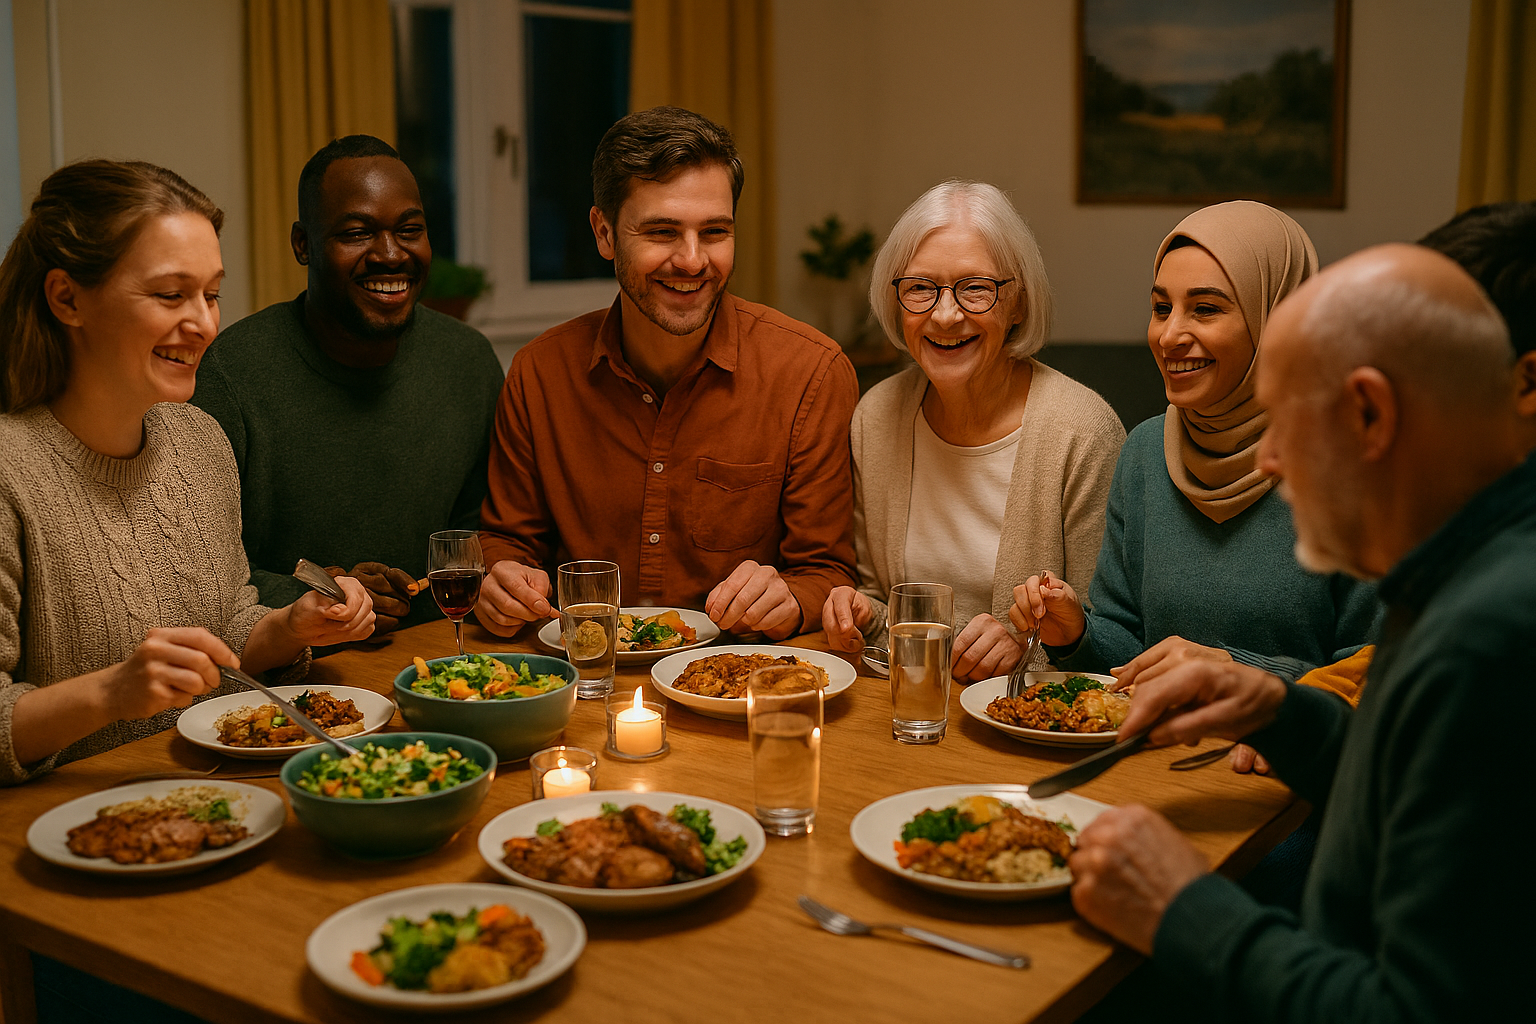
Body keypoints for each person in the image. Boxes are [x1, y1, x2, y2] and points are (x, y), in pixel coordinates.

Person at [1068, 244, 1527, 1020]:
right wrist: (1280, 710)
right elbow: (1406, 787)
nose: (1270, 461)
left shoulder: (1489, 640)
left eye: (1281, 420)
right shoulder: (1465, 567)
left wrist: (1182, 906)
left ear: (1370, 414)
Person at [0, 160, 375, 785]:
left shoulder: (199, 443)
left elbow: (226, 634)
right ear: (67, 297)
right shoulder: (12, 472)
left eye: (212, 293)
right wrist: (112, 692)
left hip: (214, 802)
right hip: (66, 833)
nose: (203, 323)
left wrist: (289, 626)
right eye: (171, 294)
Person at [475, 107, 858, 639]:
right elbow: (506, 542)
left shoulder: (810, 373)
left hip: (734, 684)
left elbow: (828, 572)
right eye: (662, 231)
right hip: (581, 676)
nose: (693, 260)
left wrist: (791, 600)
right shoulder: (539, 372)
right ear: (604, 234)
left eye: (715, 232)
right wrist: (500, 582)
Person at [1011, 201, 1379, 685]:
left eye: (1205, 309)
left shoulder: (1357, 464)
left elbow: (1378, 674)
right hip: (1154, 752)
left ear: (1275, 319)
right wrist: (1077, 633)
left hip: (1280, 756)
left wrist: (1241, 675)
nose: (1169, 335)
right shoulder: (1145, 452)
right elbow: (1127, 652)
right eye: (1161, 308)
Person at [192, 135, 505, 636]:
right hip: (294, 678)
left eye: (410, 230)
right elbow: (200, 574)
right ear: (303, 244)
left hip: (439, 662)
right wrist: (326, 594)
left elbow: (484, 535)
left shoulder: (467, 361)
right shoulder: (229, 375)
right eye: (357, 233)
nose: (389, 254)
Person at [822, 181, 1124, 683]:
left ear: (1018, 305)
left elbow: (1106, 638)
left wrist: (1025, 646)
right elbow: (879, 600)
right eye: (920, 287)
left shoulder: (1083, 432)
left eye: (976, 288)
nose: (944, 314)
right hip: (906, 708)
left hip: (1025, 727)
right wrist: (856, 614)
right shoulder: (876, 418)